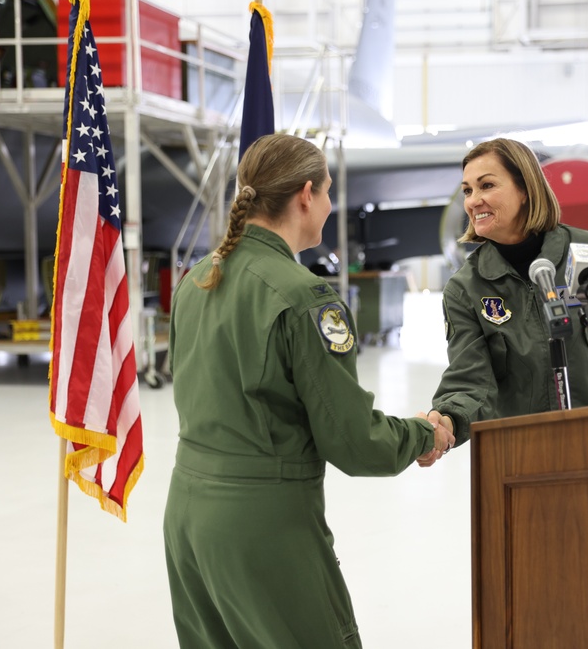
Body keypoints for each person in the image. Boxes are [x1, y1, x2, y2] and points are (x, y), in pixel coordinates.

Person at [163, 133, 454, 649]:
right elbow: (353, 440)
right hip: (263, 527)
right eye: (327, 192)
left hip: (188, 517)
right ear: (305, 194)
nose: (329, 204)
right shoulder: (305, 299)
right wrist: (420, 435)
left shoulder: (195, 282)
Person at [426, 137, 588, 448]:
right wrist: (447, 420)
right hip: (521, 454)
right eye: (468, 191)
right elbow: (470, 380)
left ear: (525, 189)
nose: (473, 201)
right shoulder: (466, 289)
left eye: (487, 186)